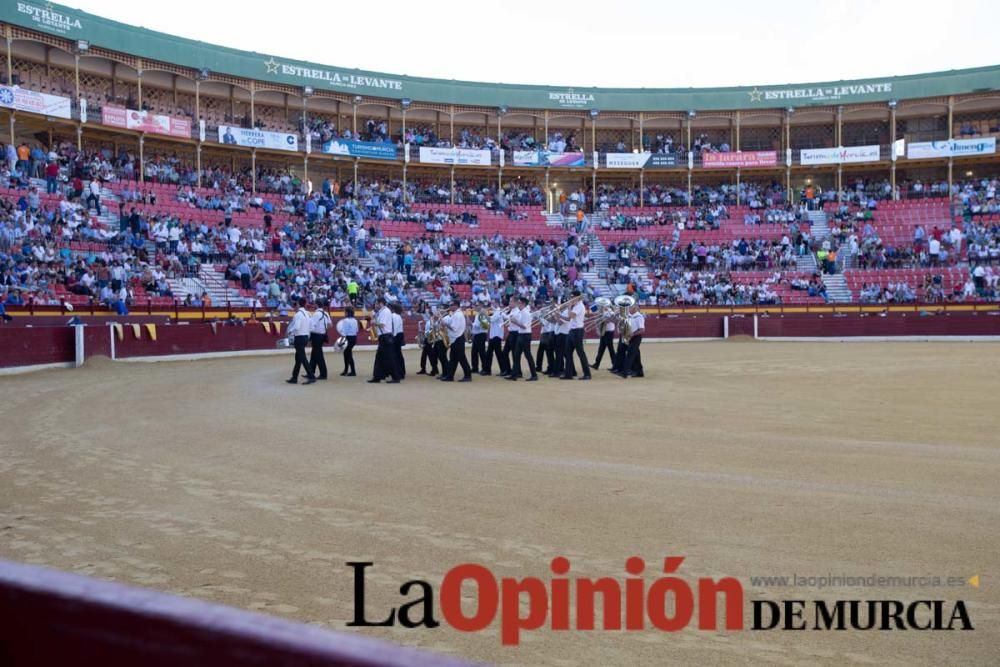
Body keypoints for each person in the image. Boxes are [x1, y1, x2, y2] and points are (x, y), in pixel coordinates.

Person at [368, 297, 400, 383]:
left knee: (388, 358)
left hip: (385, 336)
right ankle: (377, 376)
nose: (375, 305)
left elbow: (382, 324)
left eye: (376, 303)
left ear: (380, 303)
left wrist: (374, 322)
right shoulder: (382, 311)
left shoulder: (385, 311)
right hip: (384, 337)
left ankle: (395, 377)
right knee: (380, 357)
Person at [561, 292, 591, 380]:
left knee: (580, 353)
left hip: (577, 331)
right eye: (570, 297)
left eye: (572, 297)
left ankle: (587, 374)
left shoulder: (579, 306)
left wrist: (569, 307)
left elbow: (571, 315)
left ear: (577, 298)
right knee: (567, 353)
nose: (570, 299)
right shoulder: (576, 306)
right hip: (572, 331)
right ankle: (568, 374)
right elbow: (569, 318)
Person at [507, 295, 538, 381]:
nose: (518, 304)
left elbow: (524, 326)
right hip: (521, 335)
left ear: (523, 304)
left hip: (525, 335)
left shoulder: (526, 313)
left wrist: (515, 322)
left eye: (519, 303)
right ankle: (514, 374)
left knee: (527, 355)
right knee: (516, 355)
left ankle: (534, 375)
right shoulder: (521, 312)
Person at [439, 301, 472, 382]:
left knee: (461, 358)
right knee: (453, 359)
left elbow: (454, 328)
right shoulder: (456, 314)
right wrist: (444, 322)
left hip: (457, 339)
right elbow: (451, 323)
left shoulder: (458, 315)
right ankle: (450, 376)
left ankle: (467, 375)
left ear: (455, 305)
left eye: (451, 305)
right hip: (456, 339)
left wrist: (445, 323)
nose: (449, 307)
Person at [286, 296, 315, 384]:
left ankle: (311, 376)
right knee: (298, 358)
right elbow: (311, 327)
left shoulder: (298, 314)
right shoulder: (308, 313)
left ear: (298, 304)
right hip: (306, 336)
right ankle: (294, 377)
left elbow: (297, 327)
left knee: (302, 358)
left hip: (299, 338)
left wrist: (290, 332)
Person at [618, 302, 645, 378]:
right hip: (629, 337)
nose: (628, 309)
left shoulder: (639, 317)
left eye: (630, 307)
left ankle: (625, 372)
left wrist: (633, 334)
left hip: (636, 337)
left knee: (630, 354)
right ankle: (639, 372)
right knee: (636, 355)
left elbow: (642, 330)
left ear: (635, 308)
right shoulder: (628, 316)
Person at [309, 298, 332, 380]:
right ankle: (310, 371)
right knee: (314, 354)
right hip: (322, 335)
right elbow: (330, 325)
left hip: (316, 336)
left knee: (318, 355)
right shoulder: (326, 313)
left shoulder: (316, 314)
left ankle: (323, 374)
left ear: (316, 304)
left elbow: (312, 326)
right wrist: (323, 329)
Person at [485, 302, 509, 377]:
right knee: (489, 354)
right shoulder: (497, 312)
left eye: (493, 305)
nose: (491, 307)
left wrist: (484, 314)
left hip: (497, 336)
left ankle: (503, 370)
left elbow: (491, 320)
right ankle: (487, 370)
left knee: (498, 354)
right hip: (493, 336)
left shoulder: (498, 313)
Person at [591, 302, 617, 369]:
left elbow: (614, 320)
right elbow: (592, 309)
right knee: (601, 349)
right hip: (604, 332)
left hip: (609, 332)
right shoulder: (601, 312)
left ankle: (615, 365)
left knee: (610, 349)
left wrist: (606, 320)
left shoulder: (611, 312)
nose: (603, 306)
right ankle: (596, 364)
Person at [337, 306, 359, 376]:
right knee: (347, 353)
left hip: (348, 338)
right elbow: (357, 330)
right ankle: (347, 370)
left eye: (345, 312)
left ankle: (352, 371)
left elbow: (344, 332)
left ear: (347, 313)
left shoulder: (345, 320)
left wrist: (341, 341)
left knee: (348, 354)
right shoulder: (355, 320)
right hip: (354, 338)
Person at [470, 305, 488, 374]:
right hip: (477, 335)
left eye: (476, 306)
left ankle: (485, 368)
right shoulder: (478, 314)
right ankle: (475, 367)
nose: (474, 307)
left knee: (482, 352)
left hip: (481, 334)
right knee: (474, 352)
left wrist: (471, 324)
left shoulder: (483, 314)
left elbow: (484, 326)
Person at [390, 302, 406, 380]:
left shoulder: (393, 316)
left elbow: (394, 328)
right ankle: (401, 371)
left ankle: (399, 372)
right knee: (398, 354)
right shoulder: (398, 316)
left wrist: (392, 337)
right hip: (399, 335)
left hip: (396, 335)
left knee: (396, 355)